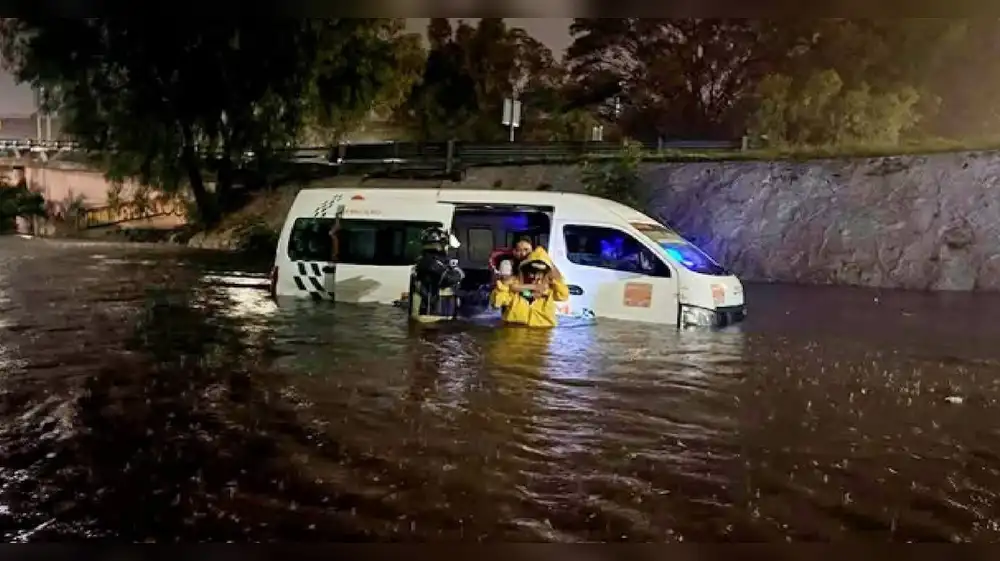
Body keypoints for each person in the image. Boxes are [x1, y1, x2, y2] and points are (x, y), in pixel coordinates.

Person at [489, 246, 569, 328]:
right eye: (532, 272)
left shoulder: (550, 291)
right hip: (513, 332)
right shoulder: (512, 288)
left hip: (542, 334)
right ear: (524, 271)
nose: (535, 276)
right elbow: (496, 302)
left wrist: (556, 278)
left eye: (539, 273)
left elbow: (563, 295)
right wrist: (504, 285)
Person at [409, 226, 465, 323]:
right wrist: (457, 271)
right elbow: (450, 278)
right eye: (444, 244)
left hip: (439, 314)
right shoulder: (429, 261)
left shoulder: (433, 260)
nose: (447, 248)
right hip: (431, 315)